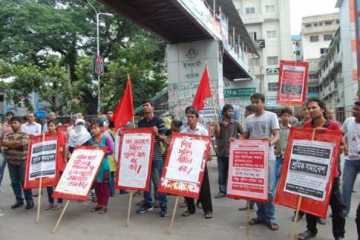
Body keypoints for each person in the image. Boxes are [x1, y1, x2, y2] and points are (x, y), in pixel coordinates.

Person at [297, 98, 345, 240]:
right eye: (309, 108)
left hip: (331, 175)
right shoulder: (306, 126)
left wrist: (325, 134)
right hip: (311, 173)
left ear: (322, 109)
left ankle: (339, 235)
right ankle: (311, 230)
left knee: (338, 207)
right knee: (309, 204)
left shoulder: (334, 126)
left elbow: (342, 148)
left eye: (314, 107)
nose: (311, 110)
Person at [243, 93, 280, 231]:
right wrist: (236, 141)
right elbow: (245, 136)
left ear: (263, 102)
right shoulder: (248, 119)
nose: (254, 104)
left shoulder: (271, 116)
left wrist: (270, 141)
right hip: (253, 158)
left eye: (257, 102)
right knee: (256, 188)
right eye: (252, 102)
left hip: (268, 157)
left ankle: (271, 218)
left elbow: (276, 135)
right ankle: (260, 216)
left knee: (269, 190)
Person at [136, 100, 168, 218]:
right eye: (143, 105)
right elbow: (138, 138)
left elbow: (164, 138)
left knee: (158, 182)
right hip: (144, 156)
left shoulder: (159, 121)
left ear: (152, 108)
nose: (145, 107)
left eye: (147, 105)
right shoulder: (141, 123)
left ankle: (163, 205)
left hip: (156, 156)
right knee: (145, 182)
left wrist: (157, 134)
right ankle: (148, 204)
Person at [180, 106, 213, 219]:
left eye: (192, 117)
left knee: (204, 188)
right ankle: (190, 208)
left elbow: (208, 145)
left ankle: (207, 210)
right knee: (187, 186)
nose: (190, 119)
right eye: (188, 117)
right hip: (188, 162)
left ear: (197, 118)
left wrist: (209, 154)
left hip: (200, 162)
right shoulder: (183, 131)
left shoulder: (202, 130)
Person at [2, 117, 34, 209]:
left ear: (20, 124)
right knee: (14, 182)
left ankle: (29, 201)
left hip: (22, 161)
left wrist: (10, 145)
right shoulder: (7, 135)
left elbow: (22, 144)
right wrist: (14, 144)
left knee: (24, 182)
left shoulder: (25, 135)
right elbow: (3, 145)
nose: (13, 124)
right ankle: (19, 200)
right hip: (11, 162)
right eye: (12, 123)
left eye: (15, 123)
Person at [214, 104, 242, 198]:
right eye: (229, 111)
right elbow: (217, 135)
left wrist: (236, 140)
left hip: (232, 153)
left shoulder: (236, 123)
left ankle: (233, 191)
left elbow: (243, 135)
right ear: (224, 112)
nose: (231, 113)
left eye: (232, 111)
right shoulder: (218, 123)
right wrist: (218, 125)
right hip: (221, 152)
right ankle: (222, 191)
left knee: (232, 173)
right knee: (221, 173)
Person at [90, 120, 113, 214]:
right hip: (95, 166)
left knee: (104, 186)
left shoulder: (106, 138)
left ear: (101, 128)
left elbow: (111, 150)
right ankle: (99, 204)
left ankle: (104, 205)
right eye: (92, 128)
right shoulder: (92, 139)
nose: (93, 130)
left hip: (104, 165)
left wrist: (102, 152)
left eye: (95, 128)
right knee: (97, 186)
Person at [342, 100, 360, 216]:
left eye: (357, 110)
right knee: (346, 187)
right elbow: (341, 134)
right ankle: (344, 210)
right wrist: (344, 145)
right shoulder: (348, 121)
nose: (354, 111)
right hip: (350, 160)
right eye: (354, 109)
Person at [45, 120, 64, 210]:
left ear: (55, 126)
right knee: (48, 184)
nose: (50, 127)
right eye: (49, 126)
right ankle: (51, 202)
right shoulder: (46, 135)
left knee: (58, 184)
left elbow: (62, 148)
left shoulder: (60, 135)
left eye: (52, 125)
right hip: (48, 163)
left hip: (58, 163)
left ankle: (60, 202)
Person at [274, 107, 292, 190]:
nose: (286, 118)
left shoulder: (292, 129)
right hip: (278, 155)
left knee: (287, 177)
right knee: (275, 174)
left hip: (288, 156)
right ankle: (272, 193)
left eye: (288, 116)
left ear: (291, 117)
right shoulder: (276, 129)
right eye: (284, 116)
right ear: (280, 117)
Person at [0, 111, 14, 187]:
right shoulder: (3, 125)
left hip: (13, 149)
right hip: (4, 149)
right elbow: (1, 136)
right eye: (8, 116)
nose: (9, 117)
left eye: (10, 116)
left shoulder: (15, 124)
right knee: (1, 167)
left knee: (12, 167)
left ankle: (14, 183)